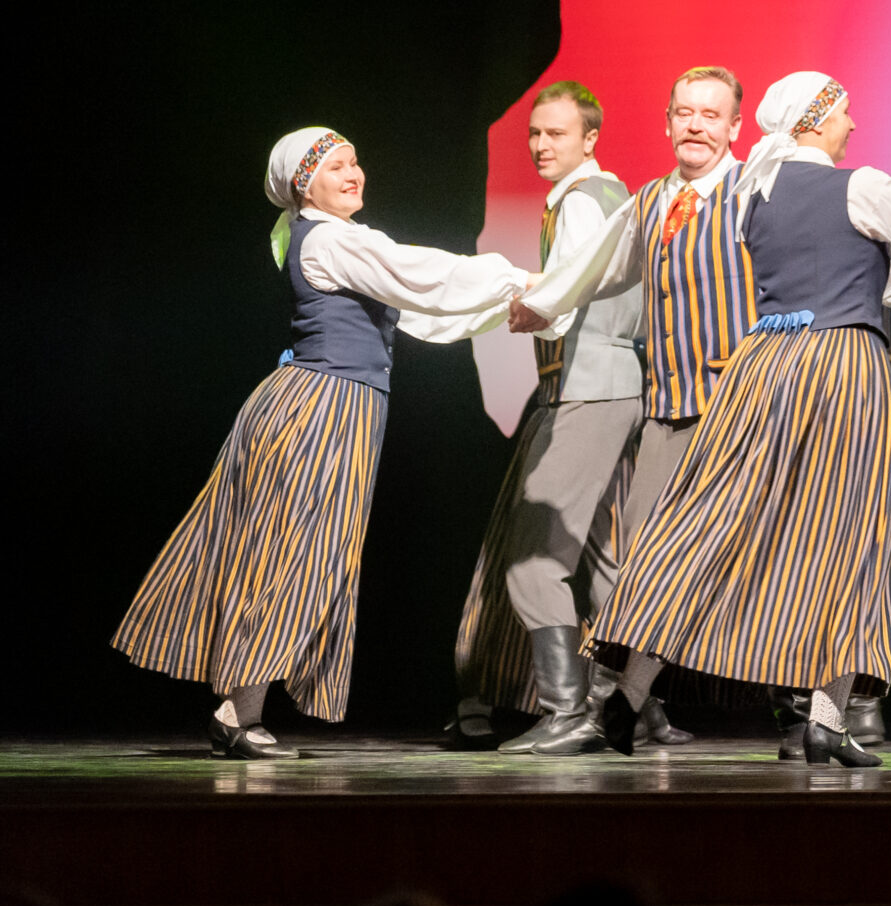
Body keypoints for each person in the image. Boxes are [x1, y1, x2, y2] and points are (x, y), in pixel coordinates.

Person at [575, 72, 891, 765]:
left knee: (710, 524)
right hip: (842, 367)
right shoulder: (862, 187)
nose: (854, 125)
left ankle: (626, 697)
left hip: (764, 365)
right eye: (844, 112)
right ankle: (826, 721)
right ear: (816, 119)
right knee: (852, 537)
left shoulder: (751, 193)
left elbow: (888, 274)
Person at [116, 128, 558, 757]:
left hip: (334, 405)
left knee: (301, 554)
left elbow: (423, 305)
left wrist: (518, 293)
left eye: (355, 162)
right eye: (336, 167)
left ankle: (237, 713)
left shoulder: (339, 238)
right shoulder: (330, 239)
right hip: (319, 408)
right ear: (304, 185)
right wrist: (525, 281)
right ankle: (236, 715)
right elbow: (423, 274)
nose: (354, 174)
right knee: (296, 553)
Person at [501, 64, 757, 749]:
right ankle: (626, 707)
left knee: (762, 561)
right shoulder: (645, 200)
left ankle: (576, 709)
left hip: (709, 402)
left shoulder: (750, 194)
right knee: (632, 563)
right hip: (660, 404)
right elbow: (599, 275)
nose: (695, 125)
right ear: (666, 121)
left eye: (710, 115)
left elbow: (584, 280)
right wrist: (544, 299)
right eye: (684, 112)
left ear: (736, 126)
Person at [447, 81, 650, 754]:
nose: (540, 145)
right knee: (607, 561)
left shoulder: (585, 202)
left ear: (590, 138)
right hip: (610, 389)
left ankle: (568, 712)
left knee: (535, 561)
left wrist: (523, 300)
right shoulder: (610, 196)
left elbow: (567, 290)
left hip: (589, 391)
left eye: (556, 133)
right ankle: (628, 708)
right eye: (534, 133)